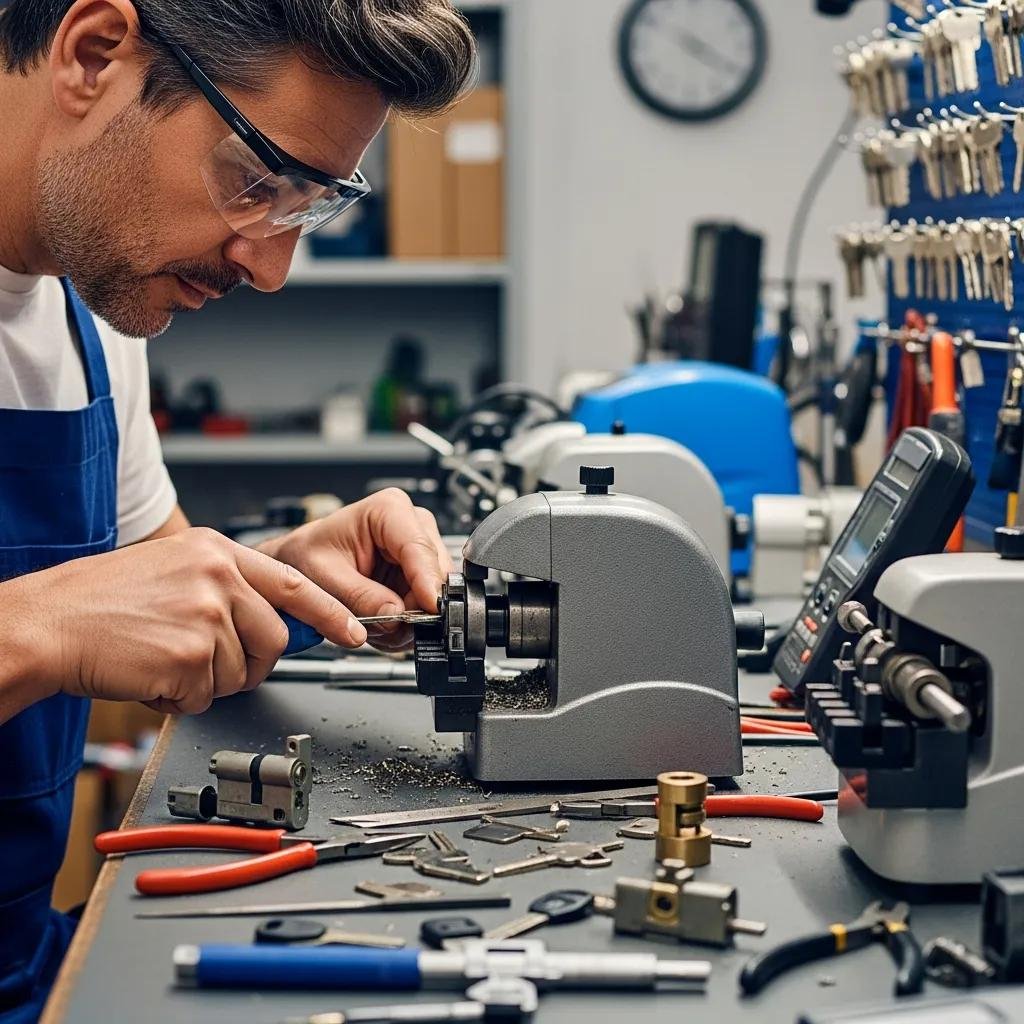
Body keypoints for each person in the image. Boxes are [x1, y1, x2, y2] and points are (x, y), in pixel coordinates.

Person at [0, 1, 475, 1018]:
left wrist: (289, 576)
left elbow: (150, 610)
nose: (268, 267)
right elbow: (74, 618)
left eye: (303, 208)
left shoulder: (90, 319)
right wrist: (36, 627)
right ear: (93, 54)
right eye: (258, 182)